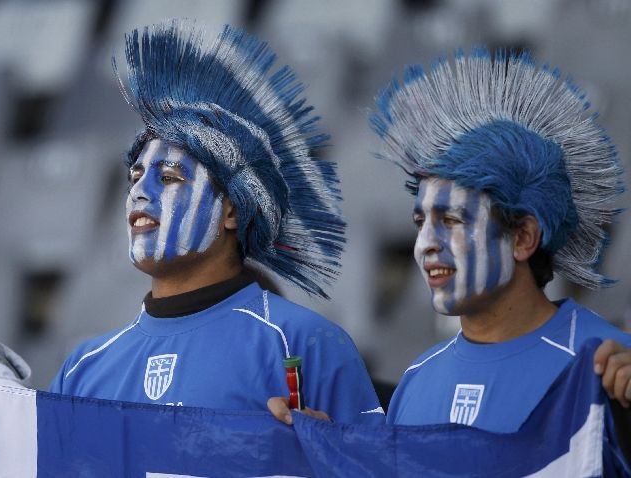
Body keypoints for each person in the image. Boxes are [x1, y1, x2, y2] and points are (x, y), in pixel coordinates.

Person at [269, 49, 631, 466]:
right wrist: (328, 449)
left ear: (524, 237)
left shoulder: (610, 365)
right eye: (420, 221)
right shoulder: (419, 378)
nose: (425, 245)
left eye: (453, 221)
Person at [49, 20, 383, 425]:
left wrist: (325, 452)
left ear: (232, 210)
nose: (139, 193)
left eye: (169, 178)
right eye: (135, 177)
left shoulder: (306, 344)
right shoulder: (82, 369)